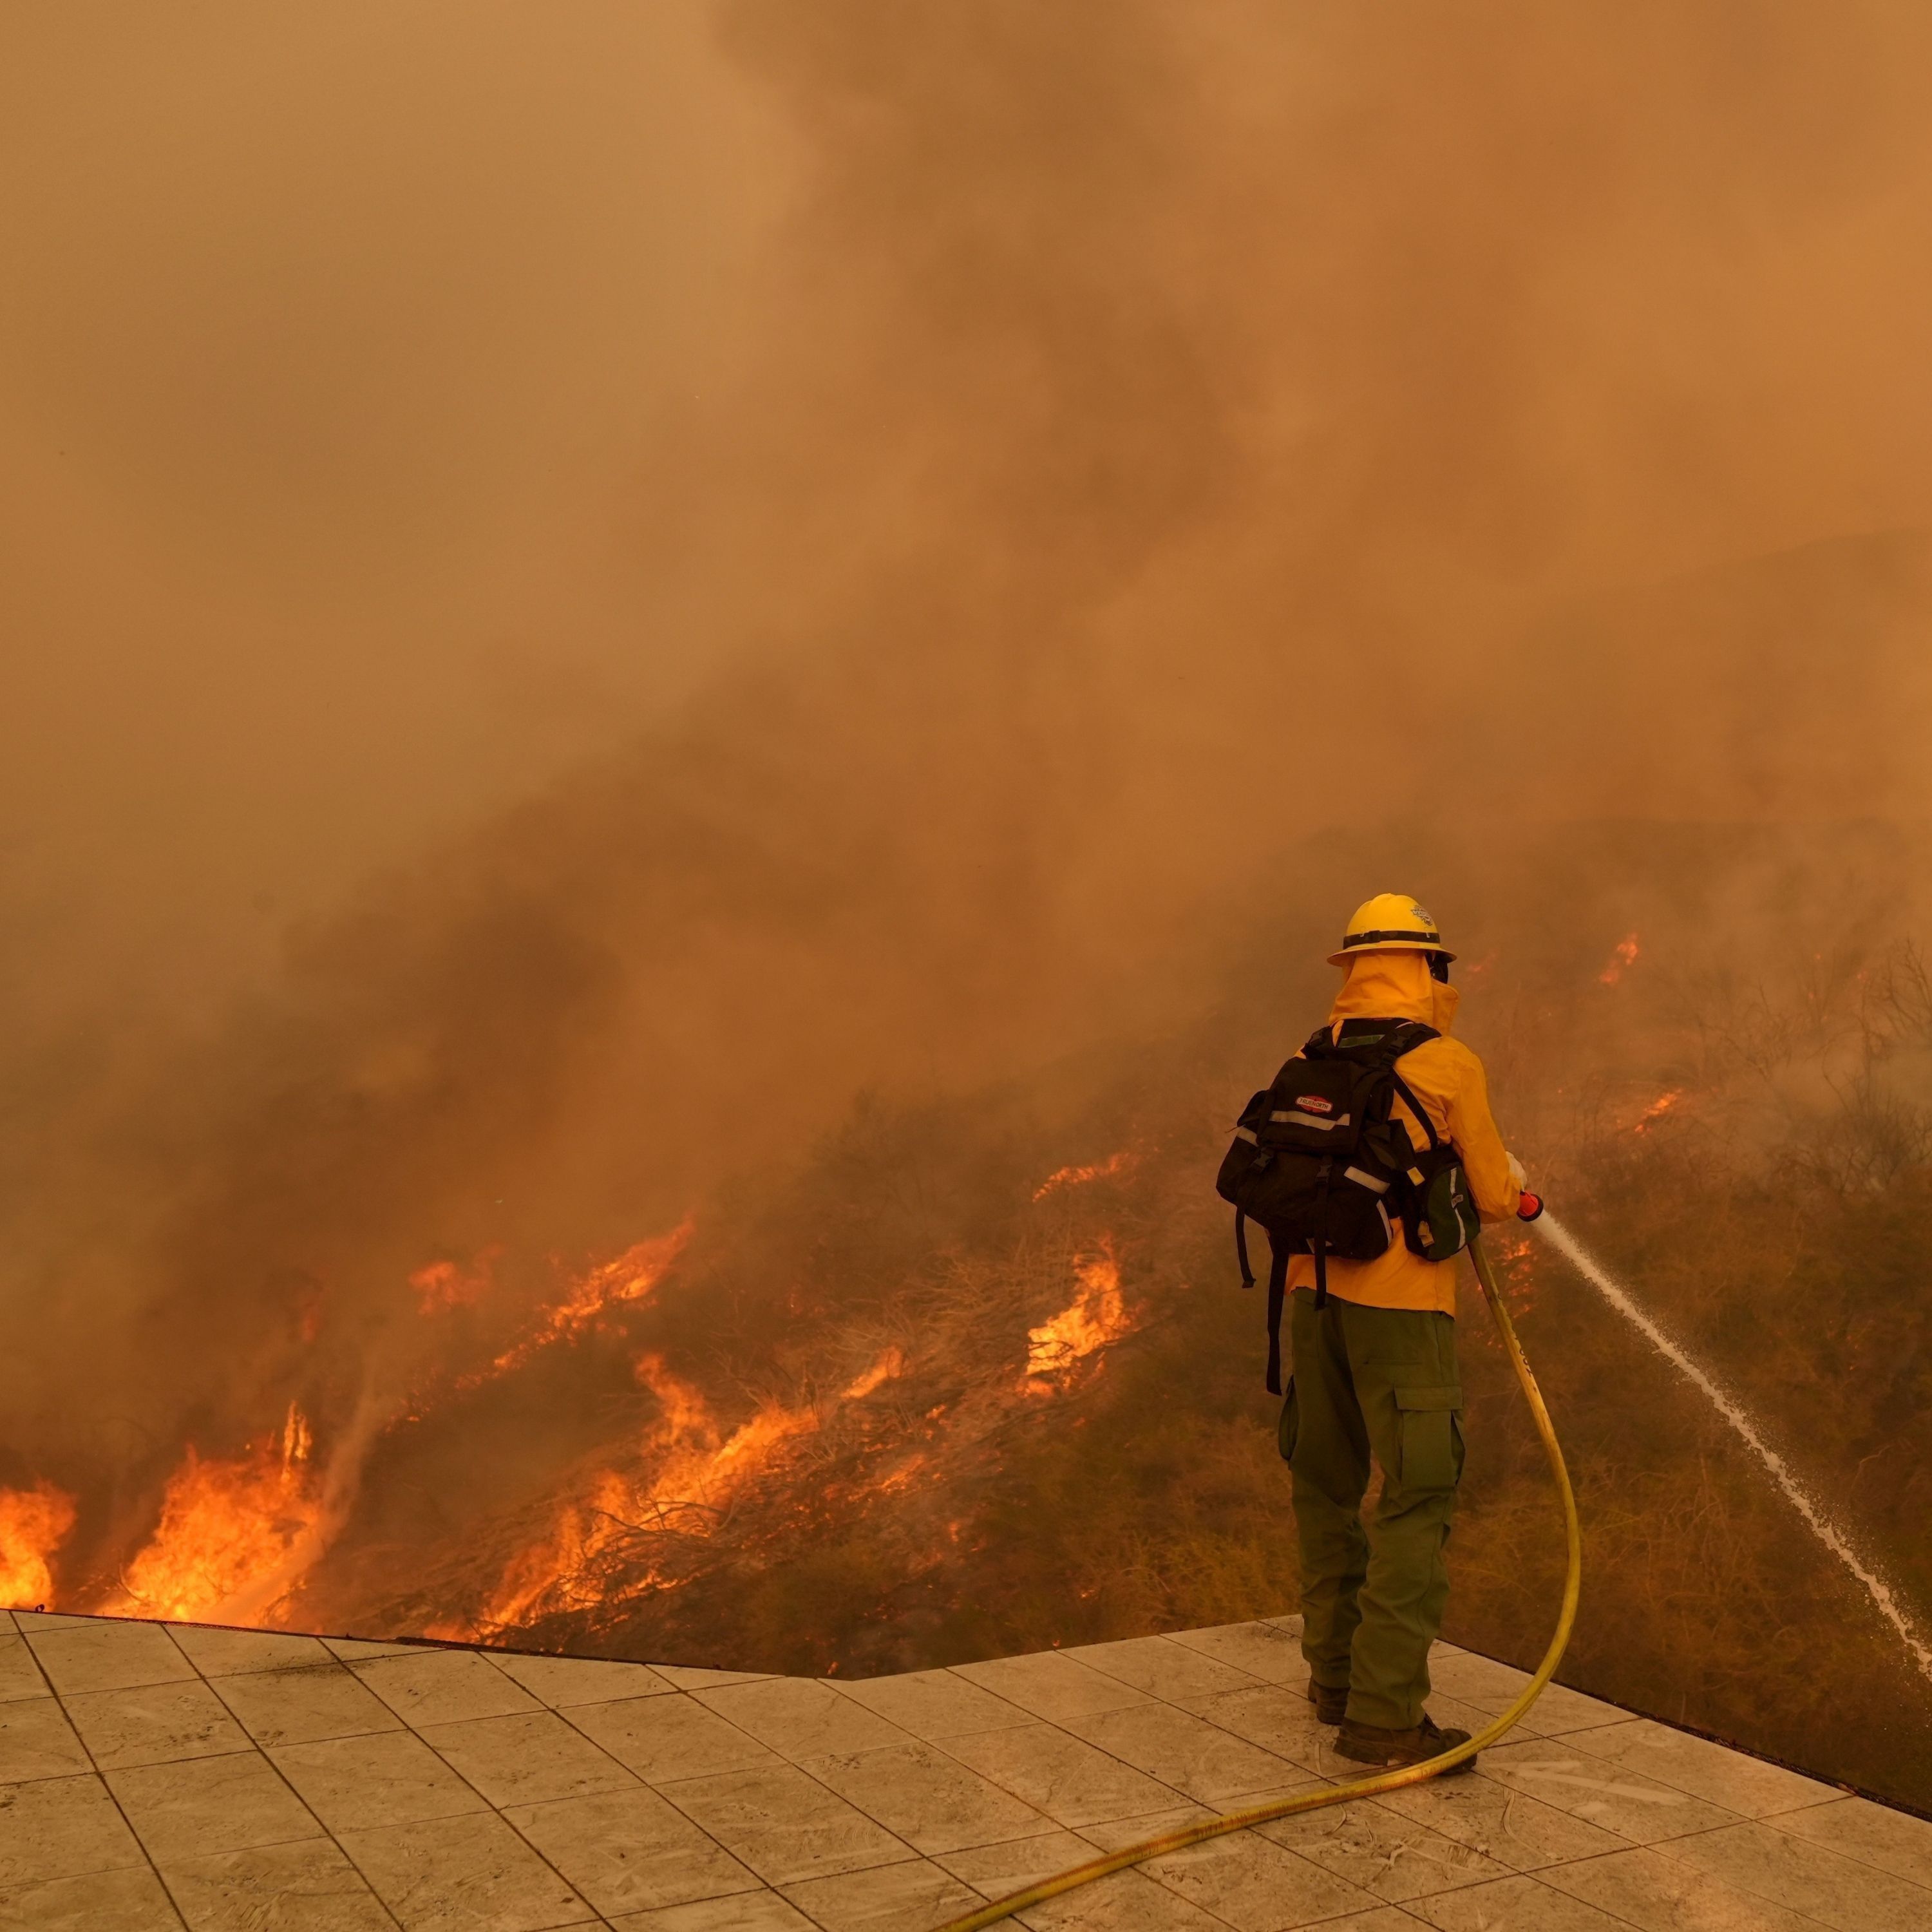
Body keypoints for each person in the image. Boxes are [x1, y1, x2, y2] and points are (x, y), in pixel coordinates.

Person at [1281, 893, 1526, 1770]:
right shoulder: (1446, 1064)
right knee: (1418, 1498)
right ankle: (1385, 1719)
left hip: (1309, 1301)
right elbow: (1494, 1196)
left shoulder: (1312, 1058)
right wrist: (1517, 1187)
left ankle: (1335, 1680)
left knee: (1325, 1490)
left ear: (1353, 970)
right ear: (1427, 969)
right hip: (1401, 1310)